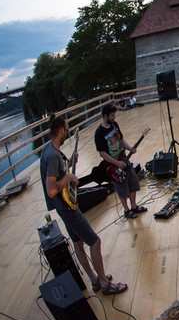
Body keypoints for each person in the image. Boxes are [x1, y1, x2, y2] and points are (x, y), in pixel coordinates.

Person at [40, 115, 127, 295]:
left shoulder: (50, 150)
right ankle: (104, 284)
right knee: (95, 242)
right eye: (67, 129)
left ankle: (94, 280)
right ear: (61, 130)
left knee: (78, 243)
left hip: (64, 207)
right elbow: (51, 190)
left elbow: (58, 172)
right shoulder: (52, 155)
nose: (68, 132)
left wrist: (70, 163)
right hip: (67, 207)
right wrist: (69, 178)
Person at [95, 102, 146, 219]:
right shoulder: (99, 132)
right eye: (112, 116)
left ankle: (134, 206)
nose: (114, 118)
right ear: (105, 115)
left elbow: (121, 139)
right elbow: (102, 153)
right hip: (113, 166)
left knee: (133, 181)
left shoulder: (114, 125)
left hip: (124, 159)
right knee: (121, 187)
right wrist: (117, 163)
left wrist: (130, 148)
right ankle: (126, 210)